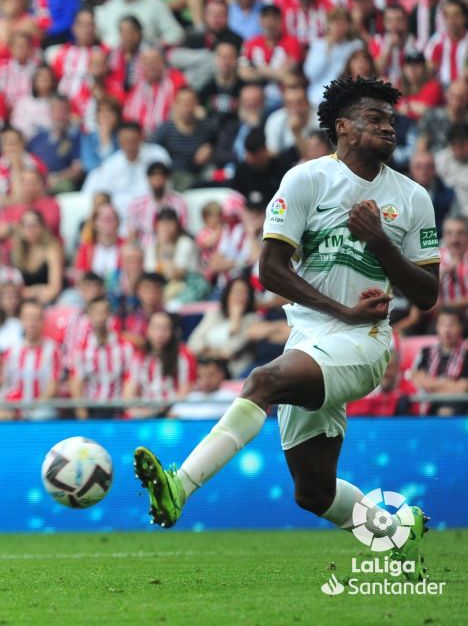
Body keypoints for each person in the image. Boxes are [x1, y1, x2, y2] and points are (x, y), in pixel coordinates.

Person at [133, 76, 440, 581]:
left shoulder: (411, 198)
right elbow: (270, 269)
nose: (388, 127)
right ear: (343, 127)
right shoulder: (305, 181)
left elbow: (427, 294)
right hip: (310, 337)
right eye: (374, 118)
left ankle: (179, 486)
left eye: (391, 120)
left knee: (263, 380)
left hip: (365, 341)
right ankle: (396, 531)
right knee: (313, 492)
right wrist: (339, 309)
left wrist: (381, 243)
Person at [411, 307, 468, 416]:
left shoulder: (466, 354)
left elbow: (463, 388)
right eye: (442, 324)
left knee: (445, 412)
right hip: (426, 401)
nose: (447, 330)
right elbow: (417, 380)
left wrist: (431, 384)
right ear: (436, 327)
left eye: (452, 324)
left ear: (461, 327)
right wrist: (449, 384)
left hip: (455, 404)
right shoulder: (425, 352)